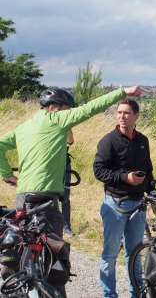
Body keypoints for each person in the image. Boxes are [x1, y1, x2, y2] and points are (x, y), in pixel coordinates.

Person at [0, 85, 144, 296]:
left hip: (23, 198)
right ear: (55, 108)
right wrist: (123, 92)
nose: (68, 113)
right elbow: (90, 108)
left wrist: (7, 175)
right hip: (46, 200)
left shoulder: (25, 127)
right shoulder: (57, 119)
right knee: (55, 256)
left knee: (24, 244)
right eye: (67, 109)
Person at [93, 99, 155, 298]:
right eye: (119, 112)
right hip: (115, 205)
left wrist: (151, 194)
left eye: (126, 113)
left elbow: (148, 170)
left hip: (138, 205)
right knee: (110, 255)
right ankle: (109, 295)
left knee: (135, 254)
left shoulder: (143, 140)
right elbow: (99, 171)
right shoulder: (108, 140)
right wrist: (124, 178)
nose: (122, 116)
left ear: (136, 116)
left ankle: (135, 294)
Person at [62, 129, 74, 237]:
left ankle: (66, 227)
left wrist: (68, 127)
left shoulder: (64, 123)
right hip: (49, 165)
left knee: (65, 197)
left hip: (64, 164)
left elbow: (70, 141)